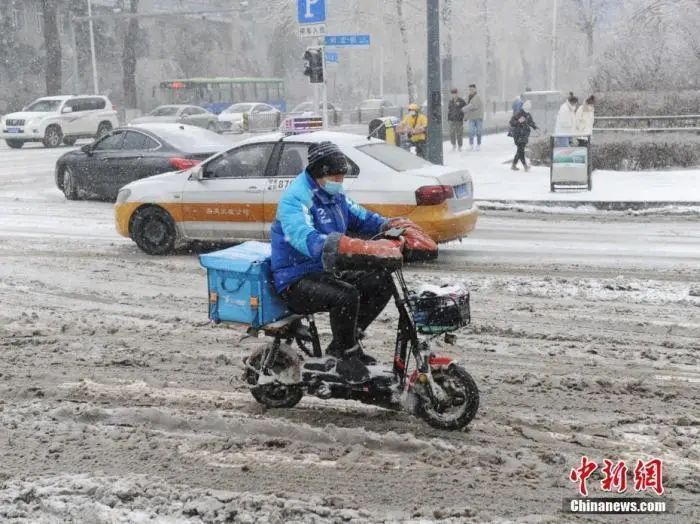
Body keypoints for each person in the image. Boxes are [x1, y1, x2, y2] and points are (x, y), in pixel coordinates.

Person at [270, 141, 437, 383]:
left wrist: (390, 227)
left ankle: (345, 343)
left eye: (341, 176)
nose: (339, 181)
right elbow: (304, 238)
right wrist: (349, 246)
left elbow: (362, 217)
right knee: (345, 296)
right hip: (296, 277)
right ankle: (344, 357)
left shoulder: (334, 195)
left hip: (326, 270)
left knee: (380, 280)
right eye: (335, 176)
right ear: (320, 173)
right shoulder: (296, 199)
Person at [509, 100, 538, 171]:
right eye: (526, 108)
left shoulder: (528, 114)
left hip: (524, 134)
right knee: (521, 150)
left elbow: (531, 122)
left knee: (519, 150)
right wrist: (518, 122)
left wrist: (535, 127)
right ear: (524, 108)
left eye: (528, 109)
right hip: (518, 134)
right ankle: (525, 166)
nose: (527, 110)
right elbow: (511, 122)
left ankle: (513, 165)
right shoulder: (518, 114)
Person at [462, 84, 484, 151]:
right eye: (470, 89)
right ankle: (471, 145)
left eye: (472, 89)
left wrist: (463, 109)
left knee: (478, 132)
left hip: (478, 117)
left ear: (475, 89)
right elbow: (469, 108)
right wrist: (465, 117)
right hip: (471, 118)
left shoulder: (477, 97)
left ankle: (478, 145)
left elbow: (473, 105)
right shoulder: (468, 97)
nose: (471, 91)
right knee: (471, 131)